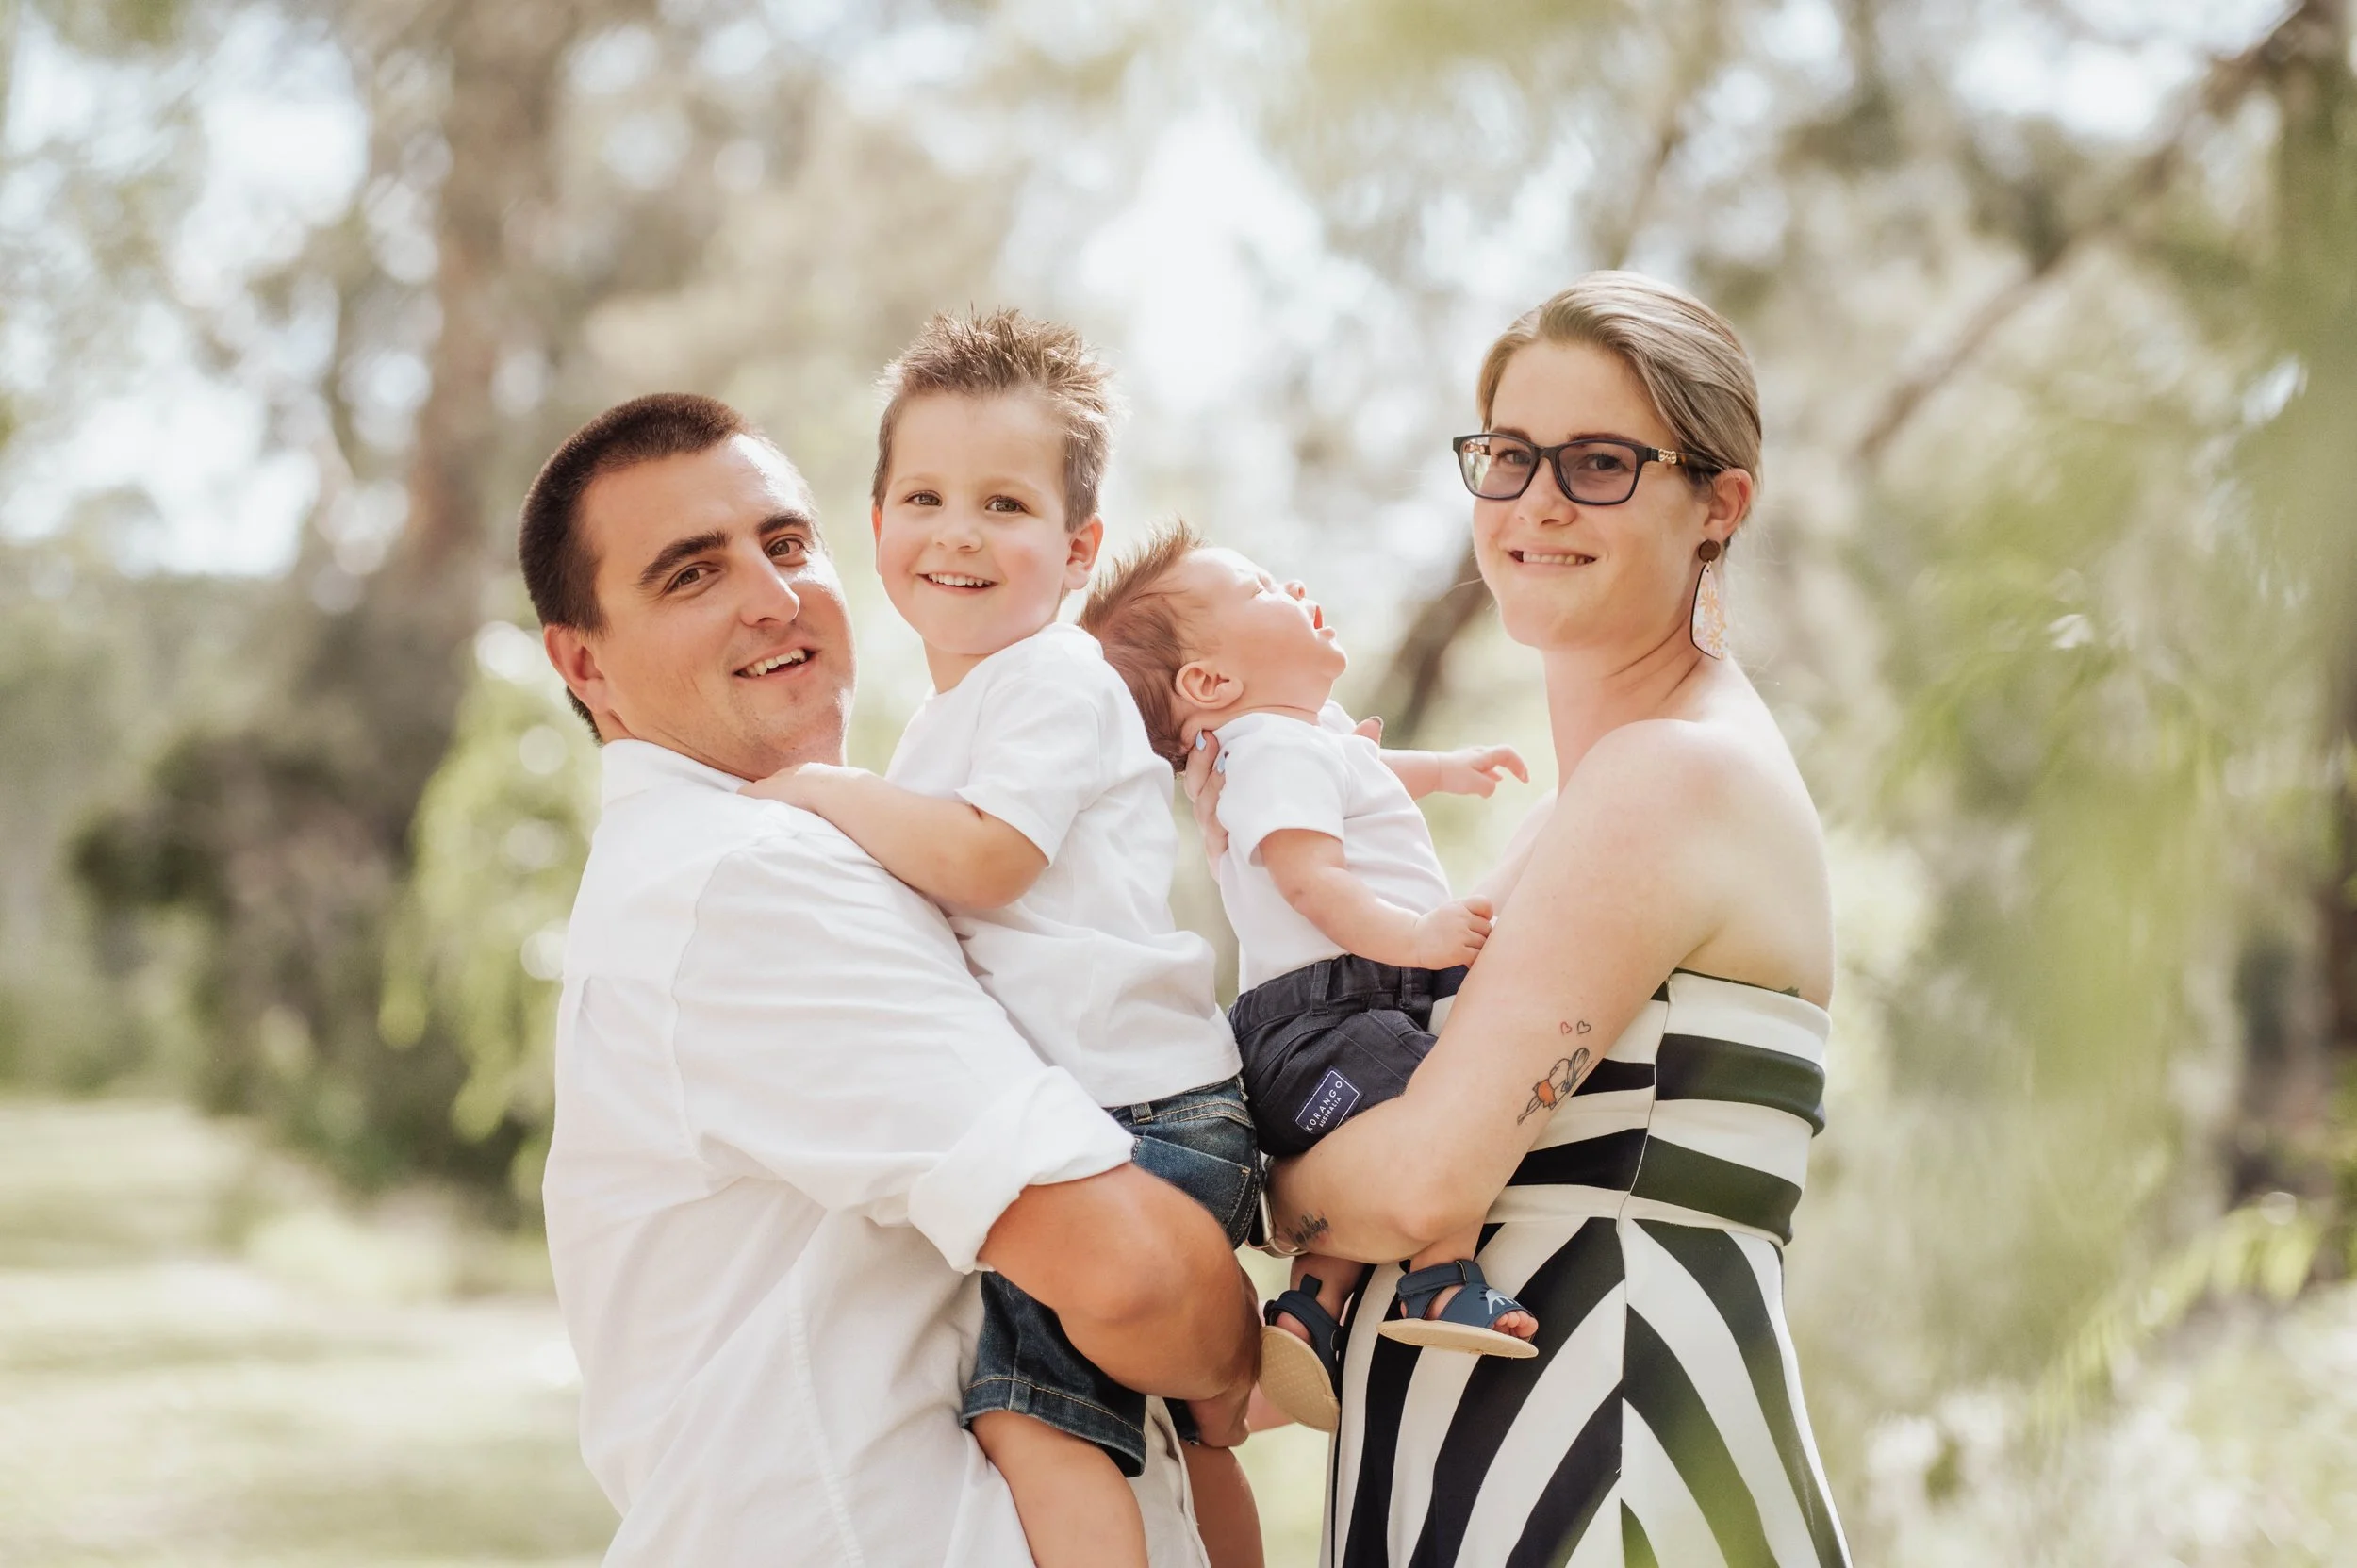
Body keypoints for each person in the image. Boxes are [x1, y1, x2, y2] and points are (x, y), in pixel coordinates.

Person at [523, 391, 1259, 1567]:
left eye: (784, 543)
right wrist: (1234, 1347)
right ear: (584, 664)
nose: (773, 596)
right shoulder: (746, 876)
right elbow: (1136, 1283)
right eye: (690, 575)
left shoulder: (838, 831)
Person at [1206, 272, 1854, 1566]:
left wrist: (1229, 1180)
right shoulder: (1576, 814)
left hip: (1604, 1465)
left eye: (1601, 462)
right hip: (1489, 1464)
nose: (1537, 501)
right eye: (1507, 456)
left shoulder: (1671, 776)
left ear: (1720, 503)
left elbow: (1422, 1182)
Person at [741, 310, 1262, 1568]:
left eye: (1006, 504)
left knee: (1037, 1424)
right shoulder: (959, 713)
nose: (958, 531)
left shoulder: (1054, 680)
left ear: (1079, 548)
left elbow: (986, 856)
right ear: (876, 528)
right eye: (924, 494)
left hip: (1133, 1116)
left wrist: (817, 791)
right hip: (1148, 1105)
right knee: (1194, 1434)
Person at [1080, 525, 1538, 1436]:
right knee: (1447, 1093)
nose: (1291, 583)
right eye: (1259, 590)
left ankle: (1309, 1310)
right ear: (1210, 683)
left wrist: (1444, 770)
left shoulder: (1297, 740)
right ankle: (1443, 1282)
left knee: (1404, 1095)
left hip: (1332, 1021)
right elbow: (1310, 881)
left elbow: (1364, 771)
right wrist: (1417, 935)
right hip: (1327, 1019)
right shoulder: (1270, 749)